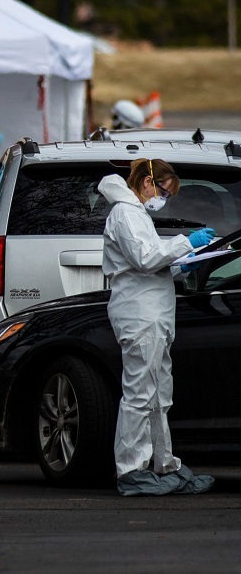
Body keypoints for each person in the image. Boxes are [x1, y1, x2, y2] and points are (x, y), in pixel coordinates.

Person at [98, 158, 215, 496]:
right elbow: (147, 258)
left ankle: (165, 466)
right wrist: (186, 243)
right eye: (164, 191)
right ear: (147, 183)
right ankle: (131, 471)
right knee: (139, 394)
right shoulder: (125, 213)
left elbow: (152, 264)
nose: (164, 198)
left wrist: (186, 262)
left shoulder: (137, 214)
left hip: (154, 313)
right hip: (140, 315)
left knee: (159, 396)